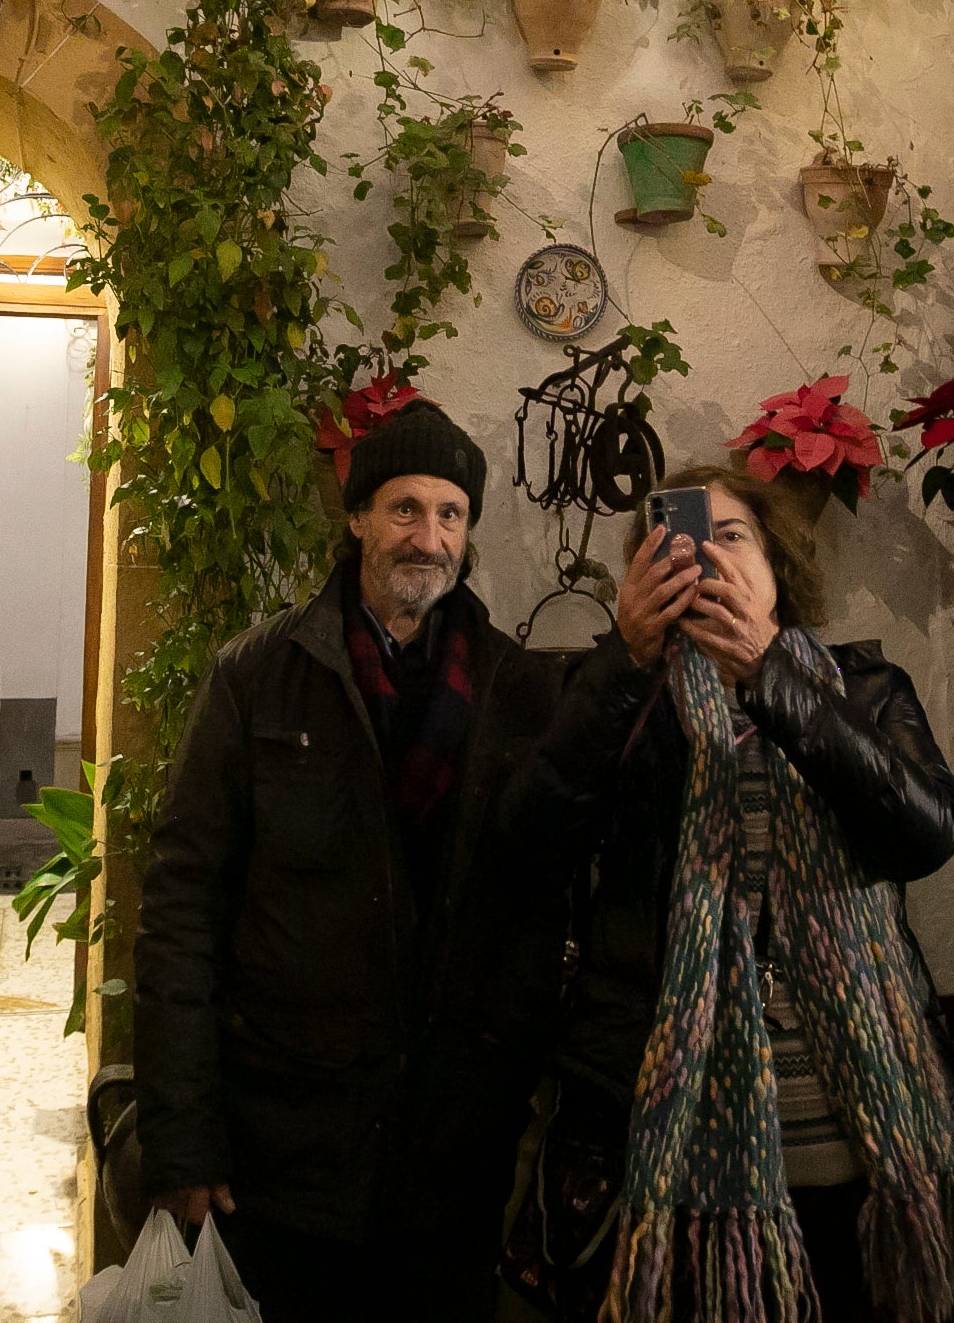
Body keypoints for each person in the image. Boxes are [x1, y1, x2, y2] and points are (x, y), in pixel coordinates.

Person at [498, 464, 954, 1323]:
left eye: (733, 536)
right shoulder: (614, 699)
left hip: (856, 1141)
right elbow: (530, 844)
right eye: (679, 541)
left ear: (775, 566)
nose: (709, 556)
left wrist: (770, 678)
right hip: (673, 1146)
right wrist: (623, 663)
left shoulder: (864, 688)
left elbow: (928, 832)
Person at [135, 401, 564, 1323]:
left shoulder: (515, 688)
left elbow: (535, 901)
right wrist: (182, 1134)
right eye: (405, 509)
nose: (429, 537)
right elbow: (182, 904)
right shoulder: (256, 675)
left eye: (451, 515)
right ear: (359, 518)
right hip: (284, 1143)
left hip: (451, 1148)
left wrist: (503, 1078)